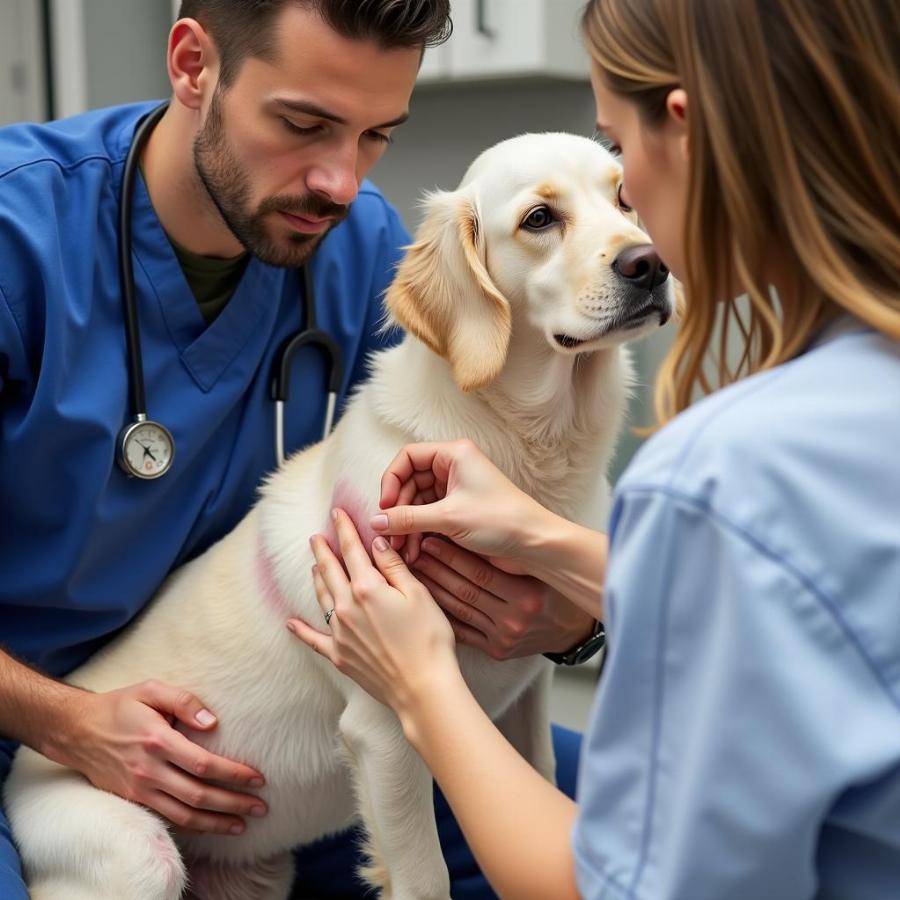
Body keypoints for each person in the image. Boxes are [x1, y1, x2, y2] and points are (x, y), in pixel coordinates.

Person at [288, 0, 900, 896]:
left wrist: (421, 680)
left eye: (615, 159)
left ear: (680, 133)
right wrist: (551, 544)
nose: (632, 238)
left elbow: (618, 887)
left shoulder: (716, 476)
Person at [0, 2, 599, 897]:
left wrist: (567, 627)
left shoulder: (356, 250)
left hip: (269, 741)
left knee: (639, 823)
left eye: (375, 136)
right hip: (35, 741)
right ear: (194, 64)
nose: (341, 180)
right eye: (304, 125)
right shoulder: (20, 240)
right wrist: (67, 720)